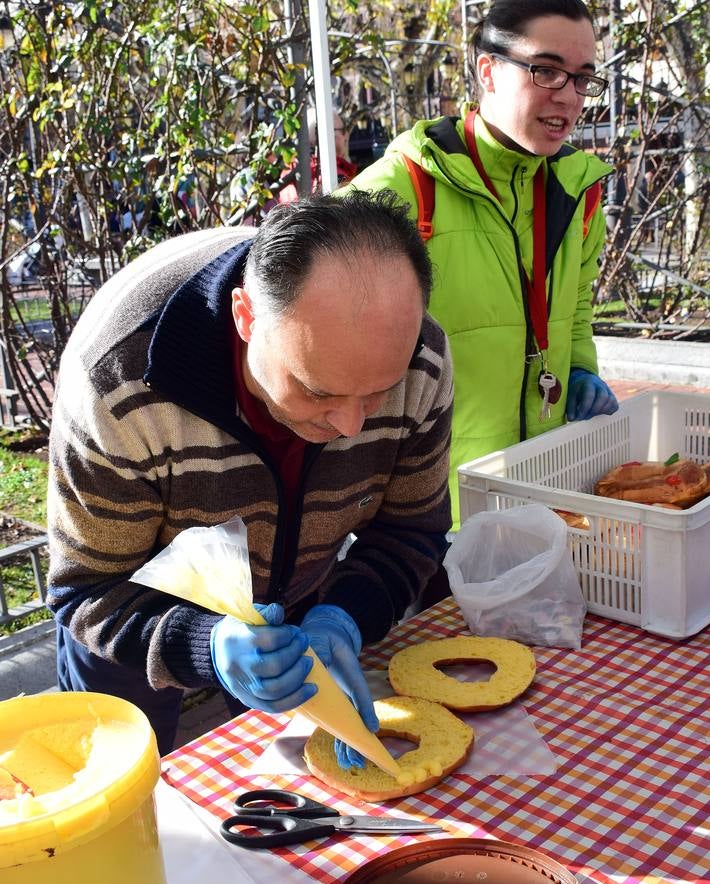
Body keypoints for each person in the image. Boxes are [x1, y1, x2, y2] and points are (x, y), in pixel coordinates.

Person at [46, 192, 453, 758]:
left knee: (282, 775)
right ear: (245, 317)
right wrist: (205, 645)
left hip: (301, 595)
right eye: (318, 389)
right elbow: (88, 590)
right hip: (133, 618)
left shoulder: (421, 356)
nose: (353, 424)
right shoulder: (118, 383)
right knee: (131, 791)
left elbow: (411, 530)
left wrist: (347, 615)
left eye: (380, 390)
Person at [346, 0, 619, 536]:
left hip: (542, 491)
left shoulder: (578, 193)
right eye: (546, 70)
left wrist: (580, 367)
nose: (567, 95)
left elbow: (577, 306)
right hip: (426, 519)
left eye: (583, 78)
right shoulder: (402, 187)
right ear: (488, 70)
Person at [279, 111, 358, 203]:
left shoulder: (288, 171)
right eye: (342, 130)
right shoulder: (332, 175)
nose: (346, 135)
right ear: (325, 134)